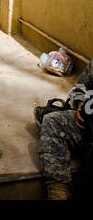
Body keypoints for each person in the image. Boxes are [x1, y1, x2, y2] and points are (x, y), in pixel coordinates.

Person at [38, 59, 93, 200]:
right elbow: (81, 87)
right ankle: (58, 191)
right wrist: (80, 103)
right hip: (89, 129)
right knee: (53, 121)